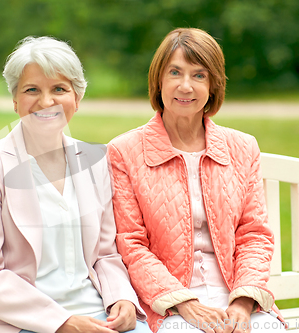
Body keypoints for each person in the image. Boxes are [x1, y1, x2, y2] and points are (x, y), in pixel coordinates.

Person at [0, 36, 151, 333]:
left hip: (96, 314)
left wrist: (121, 298)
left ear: (77, 98)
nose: (46, 102)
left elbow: (105, 254)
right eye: (32, 90)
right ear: (15, 100)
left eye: (59, 89)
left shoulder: (95, 161)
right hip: (21, 321)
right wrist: (63, 323)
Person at [107, 28, 286, 333]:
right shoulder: (124, 151)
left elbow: (254, 235)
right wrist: (184, 304)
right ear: (158, 81)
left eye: (199, 75)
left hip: (237, 296)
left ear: (213, 85)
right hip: (168, 305)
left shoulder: (242, 147)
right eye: (175, 72)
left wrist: (243, 303)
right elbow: (132, 245)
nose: (185, 86)